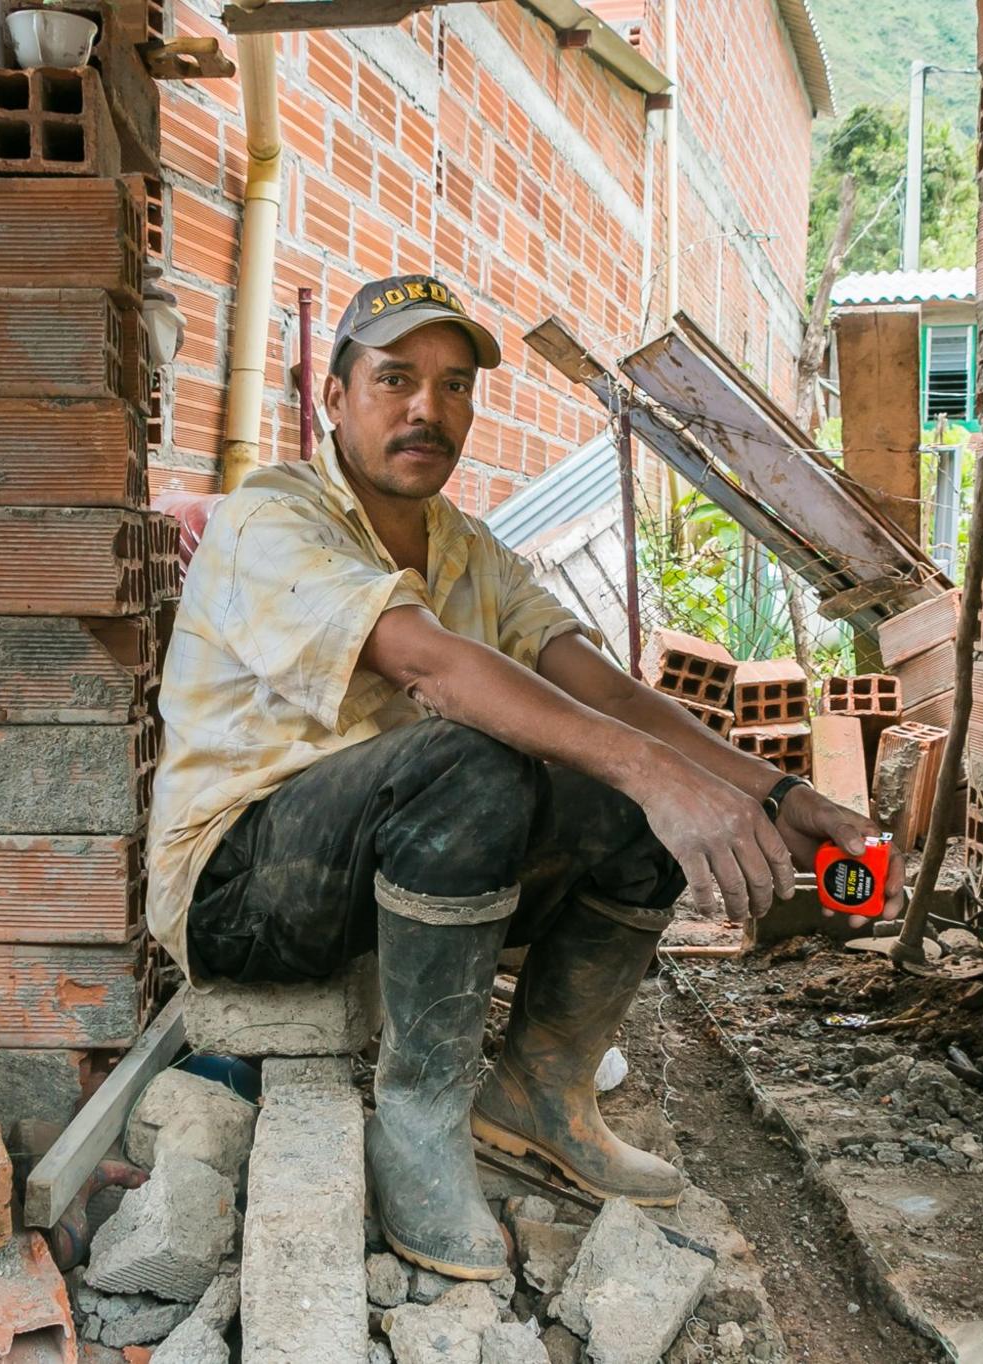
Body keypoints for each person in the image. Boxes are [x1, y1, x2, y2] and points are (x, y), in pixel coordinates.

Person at [146, 273, 902, 1280]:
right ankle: (418, 1119)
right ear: (333, 397)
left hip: (380, 860)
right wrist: (647, 768)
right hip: (241, 886)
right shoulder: (272, 517)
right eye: (394, 379)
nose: (426, 408)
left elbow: (619, 699)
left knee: (630, 778)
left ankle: (542, 1091)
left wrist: (778, 793)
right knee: (481, 753)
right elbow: (428, 665)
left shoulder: (469, 549)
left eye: (453, 385)